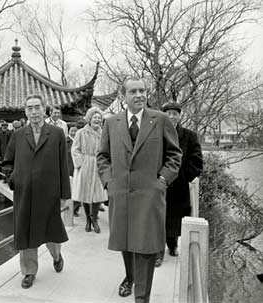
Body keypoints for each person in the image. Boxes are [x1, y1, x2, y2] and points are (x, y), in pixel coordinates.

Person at [97, 78, 182, 302]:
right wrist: (109, 182)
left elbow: (175, 155)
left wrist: (162, 180)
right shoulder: (111, 123)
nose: (139, 95)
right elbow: (103, 156)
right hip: (121, 195)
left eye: (142, 91)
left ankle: (141, 298)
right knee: (126, 242)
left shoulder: (161, 120)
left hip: (149, 196)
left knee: (145, 248)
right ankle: (129, 277)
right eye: (133, 91)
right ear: (123, 96)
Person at [3, 94, 71, 289]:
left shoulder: (57, 134)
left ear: (44, 109)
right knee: (25, 233)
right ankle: (29, 271)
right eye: (29, 108)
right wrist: (13, 178)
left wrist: (65, 195)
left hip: (49, 194)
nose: (33, 111)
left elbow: (63, 166)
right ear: (25, 111)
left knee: (51, 232)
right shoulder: (18, 135)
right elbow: (7, 161)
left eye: (37, 107)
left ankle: (56, 256)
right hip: (24, 194)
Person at [155, 102, 203, 266]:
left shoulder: (190, 136)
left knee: (175, 218)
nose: (172, 116)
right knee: (158, 218)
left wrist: (185, 176)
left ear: (180, 116)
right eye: (168, 113)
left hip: (180, 185)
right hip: (159, 182)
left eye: (175, 113)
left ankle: (173, 244)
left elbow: (197, 161)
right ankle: (158, 251)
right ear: (163, 116)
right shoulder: (156, 134)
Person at [71, 107, 108, 233]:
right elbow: (75, 149)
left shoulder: (104, 133)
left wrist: (106, 164)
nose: (97, 120)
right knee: (85, 194)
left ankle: (95, 220)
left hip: (99, 165)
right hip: (85, 164)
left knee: (98, 194)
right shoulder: (81, 132)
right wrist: (80, 163)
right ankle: (88, 219)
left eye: (99, 118)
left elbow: (108, 150)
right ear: (89, 119)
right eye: (95, 117)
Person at [67, 126, 80, 216]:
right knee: (70, 191)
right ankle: (70, 209)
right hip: (68, 169)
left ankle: (75, 209)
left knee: (77, 190)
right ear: (68, 131)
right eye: (72, 131)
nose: (73, 133)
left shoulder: (80, 141)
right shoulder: (65, 141)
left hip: (78, 169)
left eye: (75, 131)